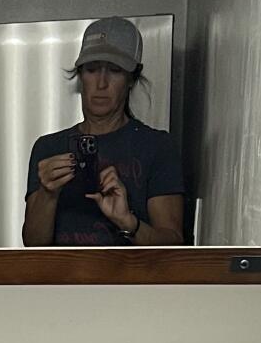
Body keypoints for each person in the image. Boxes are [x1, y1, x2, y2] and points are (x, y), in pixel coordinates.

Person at [22, 17, 186, 247]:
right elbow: (33, 247)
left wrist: (128, 222)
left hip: (131, 282)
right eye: (91, 69)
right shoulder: (48, 148)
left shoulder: (157, 147)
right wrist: (47, 195)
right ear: (80, 76)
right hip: (63, 281)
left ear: (131, 78)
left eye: (115, 70)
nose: (101, 83)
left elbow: (173, 246)